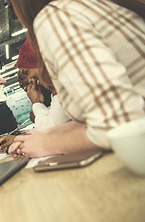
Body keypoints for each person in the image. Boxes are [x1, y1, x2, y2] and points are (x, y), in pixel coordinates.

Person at [8, 0, 145, 158]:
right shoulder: (81, 6)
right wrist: (46, 135)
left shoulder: (56, 17)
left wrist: (45, 144)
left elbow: (118, 126)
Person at [0, 39, 70, 151]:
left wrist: (37, 104)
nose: (32, 82)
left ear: (39, 62)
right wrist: (17, 138)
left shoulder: (64, 84)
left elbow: (49, 131)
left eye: (26, 72)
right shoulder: (56, 87)